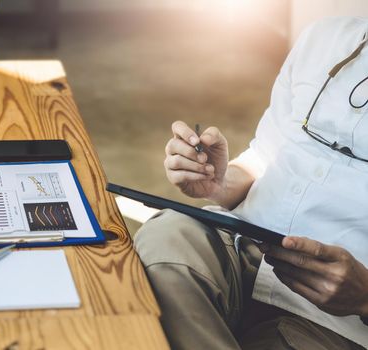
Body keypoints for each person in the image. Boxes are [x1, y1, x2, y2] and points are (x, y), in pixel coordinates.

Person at [134, 17, 368, 350]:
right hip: (245, 247)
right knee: (166, 236)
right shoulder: (324, 38)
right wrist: (219, 182)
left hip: (334, 322)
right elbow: (267, 155)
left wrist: (364, 298)